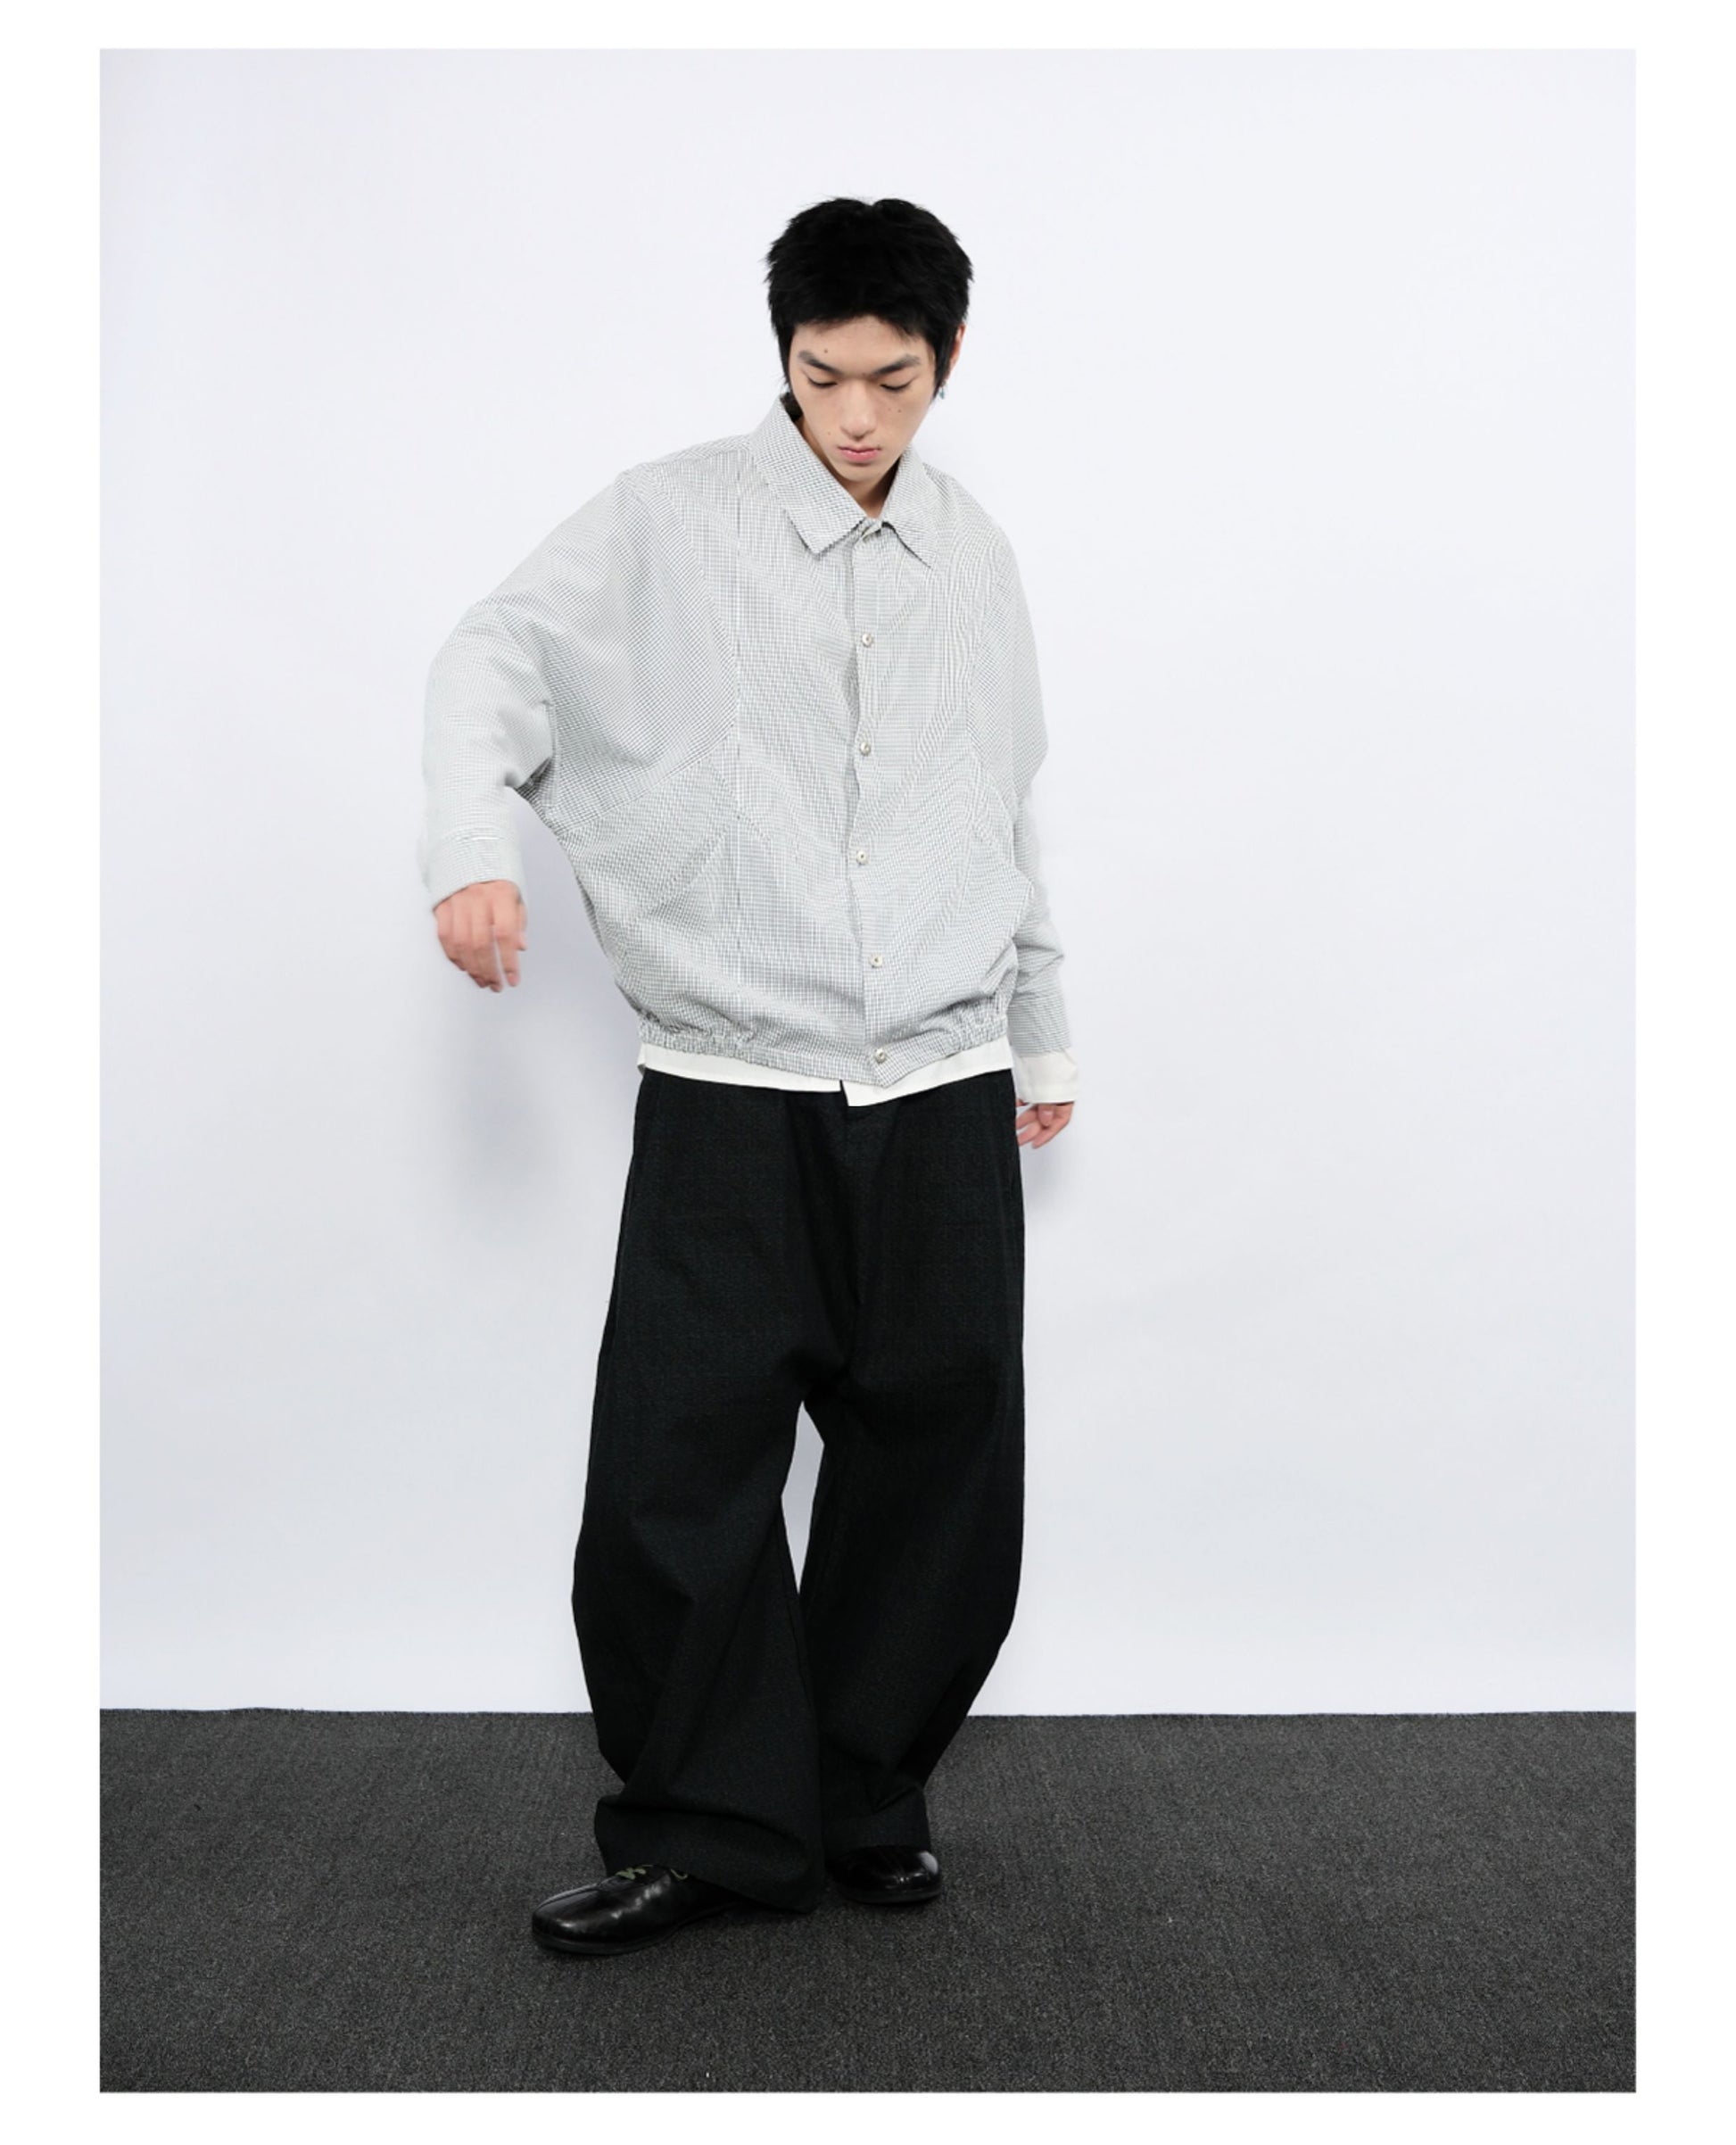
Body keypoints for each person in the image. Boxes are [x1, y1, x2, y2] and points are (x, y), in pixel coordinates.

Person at [419, 196, 1079, 1958]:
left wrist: (1040, 1023)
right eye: (821, 375)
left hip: (940, 1079)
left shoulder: (976, 554)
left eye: (893, 380)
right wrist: (470, 846)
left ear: (946, 361)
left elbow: (999, 801)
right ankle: (711, 1824)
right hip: (732, 1077)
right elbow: (491, 654)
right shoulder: (666, 518)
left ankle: (859, 1793)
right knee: (678, 1464)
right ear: (780, 356)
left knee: (937, 1460)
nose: (855, 415)